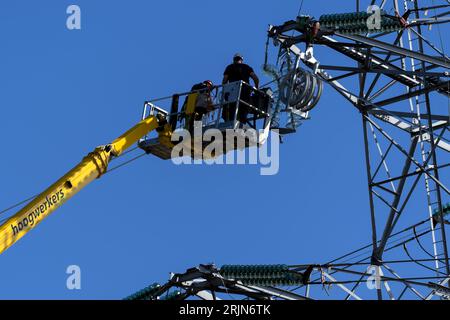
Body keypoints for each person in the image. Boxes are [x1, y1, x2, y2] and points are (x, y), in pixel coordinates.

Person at [222, 53, 260, 123]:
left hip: (232, 91)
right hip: (245, 90)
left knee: (231, 109)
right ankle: (242, 122)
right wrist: (256, 89)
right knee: (244, 109)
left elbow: (224, 80)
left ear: (234, 60)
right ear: (241, 60)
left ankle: (231, 123)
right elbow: (256, 78)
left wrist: (225, 91)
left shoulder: (229, 67)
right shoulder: (246, 67)